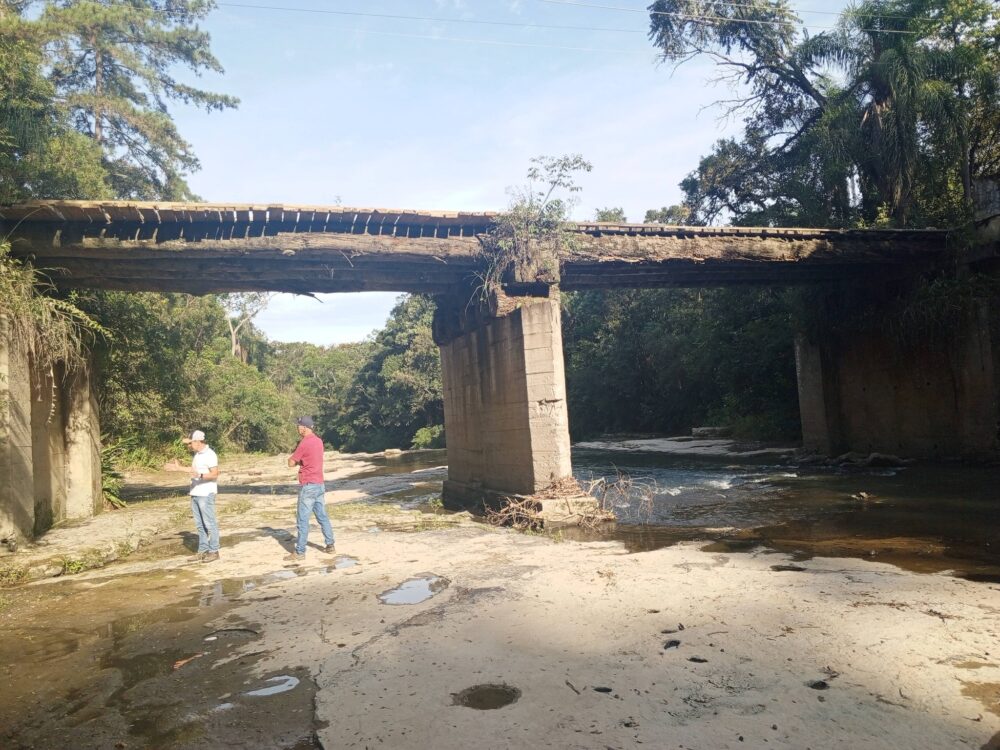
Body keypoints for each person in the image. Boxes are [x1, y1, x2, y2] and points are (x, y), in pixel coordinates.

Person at [165, 430, 221, 563]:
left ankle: (214, 551)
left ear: (198, 441)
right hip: (195, 493)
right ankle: (202, 551)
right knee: (200, 525)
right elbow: (193, 471)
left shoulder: (210, 454)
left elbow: (215, 474)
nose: (188, 446)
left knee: (209, 523)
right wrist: (178, 468)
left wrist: (200, 476)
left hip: (206, 494)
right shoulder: (198, 455)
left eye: (190, 443)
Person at [286, 416, 335, 561]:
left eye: (298, 426)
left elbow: (291, 462)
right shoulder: (319, 441)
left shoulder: (304, 443)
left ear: (304, 428)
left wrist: (296, 462)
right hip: (319, 484)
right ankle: (330, 545)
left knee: (302, 520)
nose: (297, 428)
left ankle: (300, 552)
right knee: (322, 517)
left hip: (308, 485)